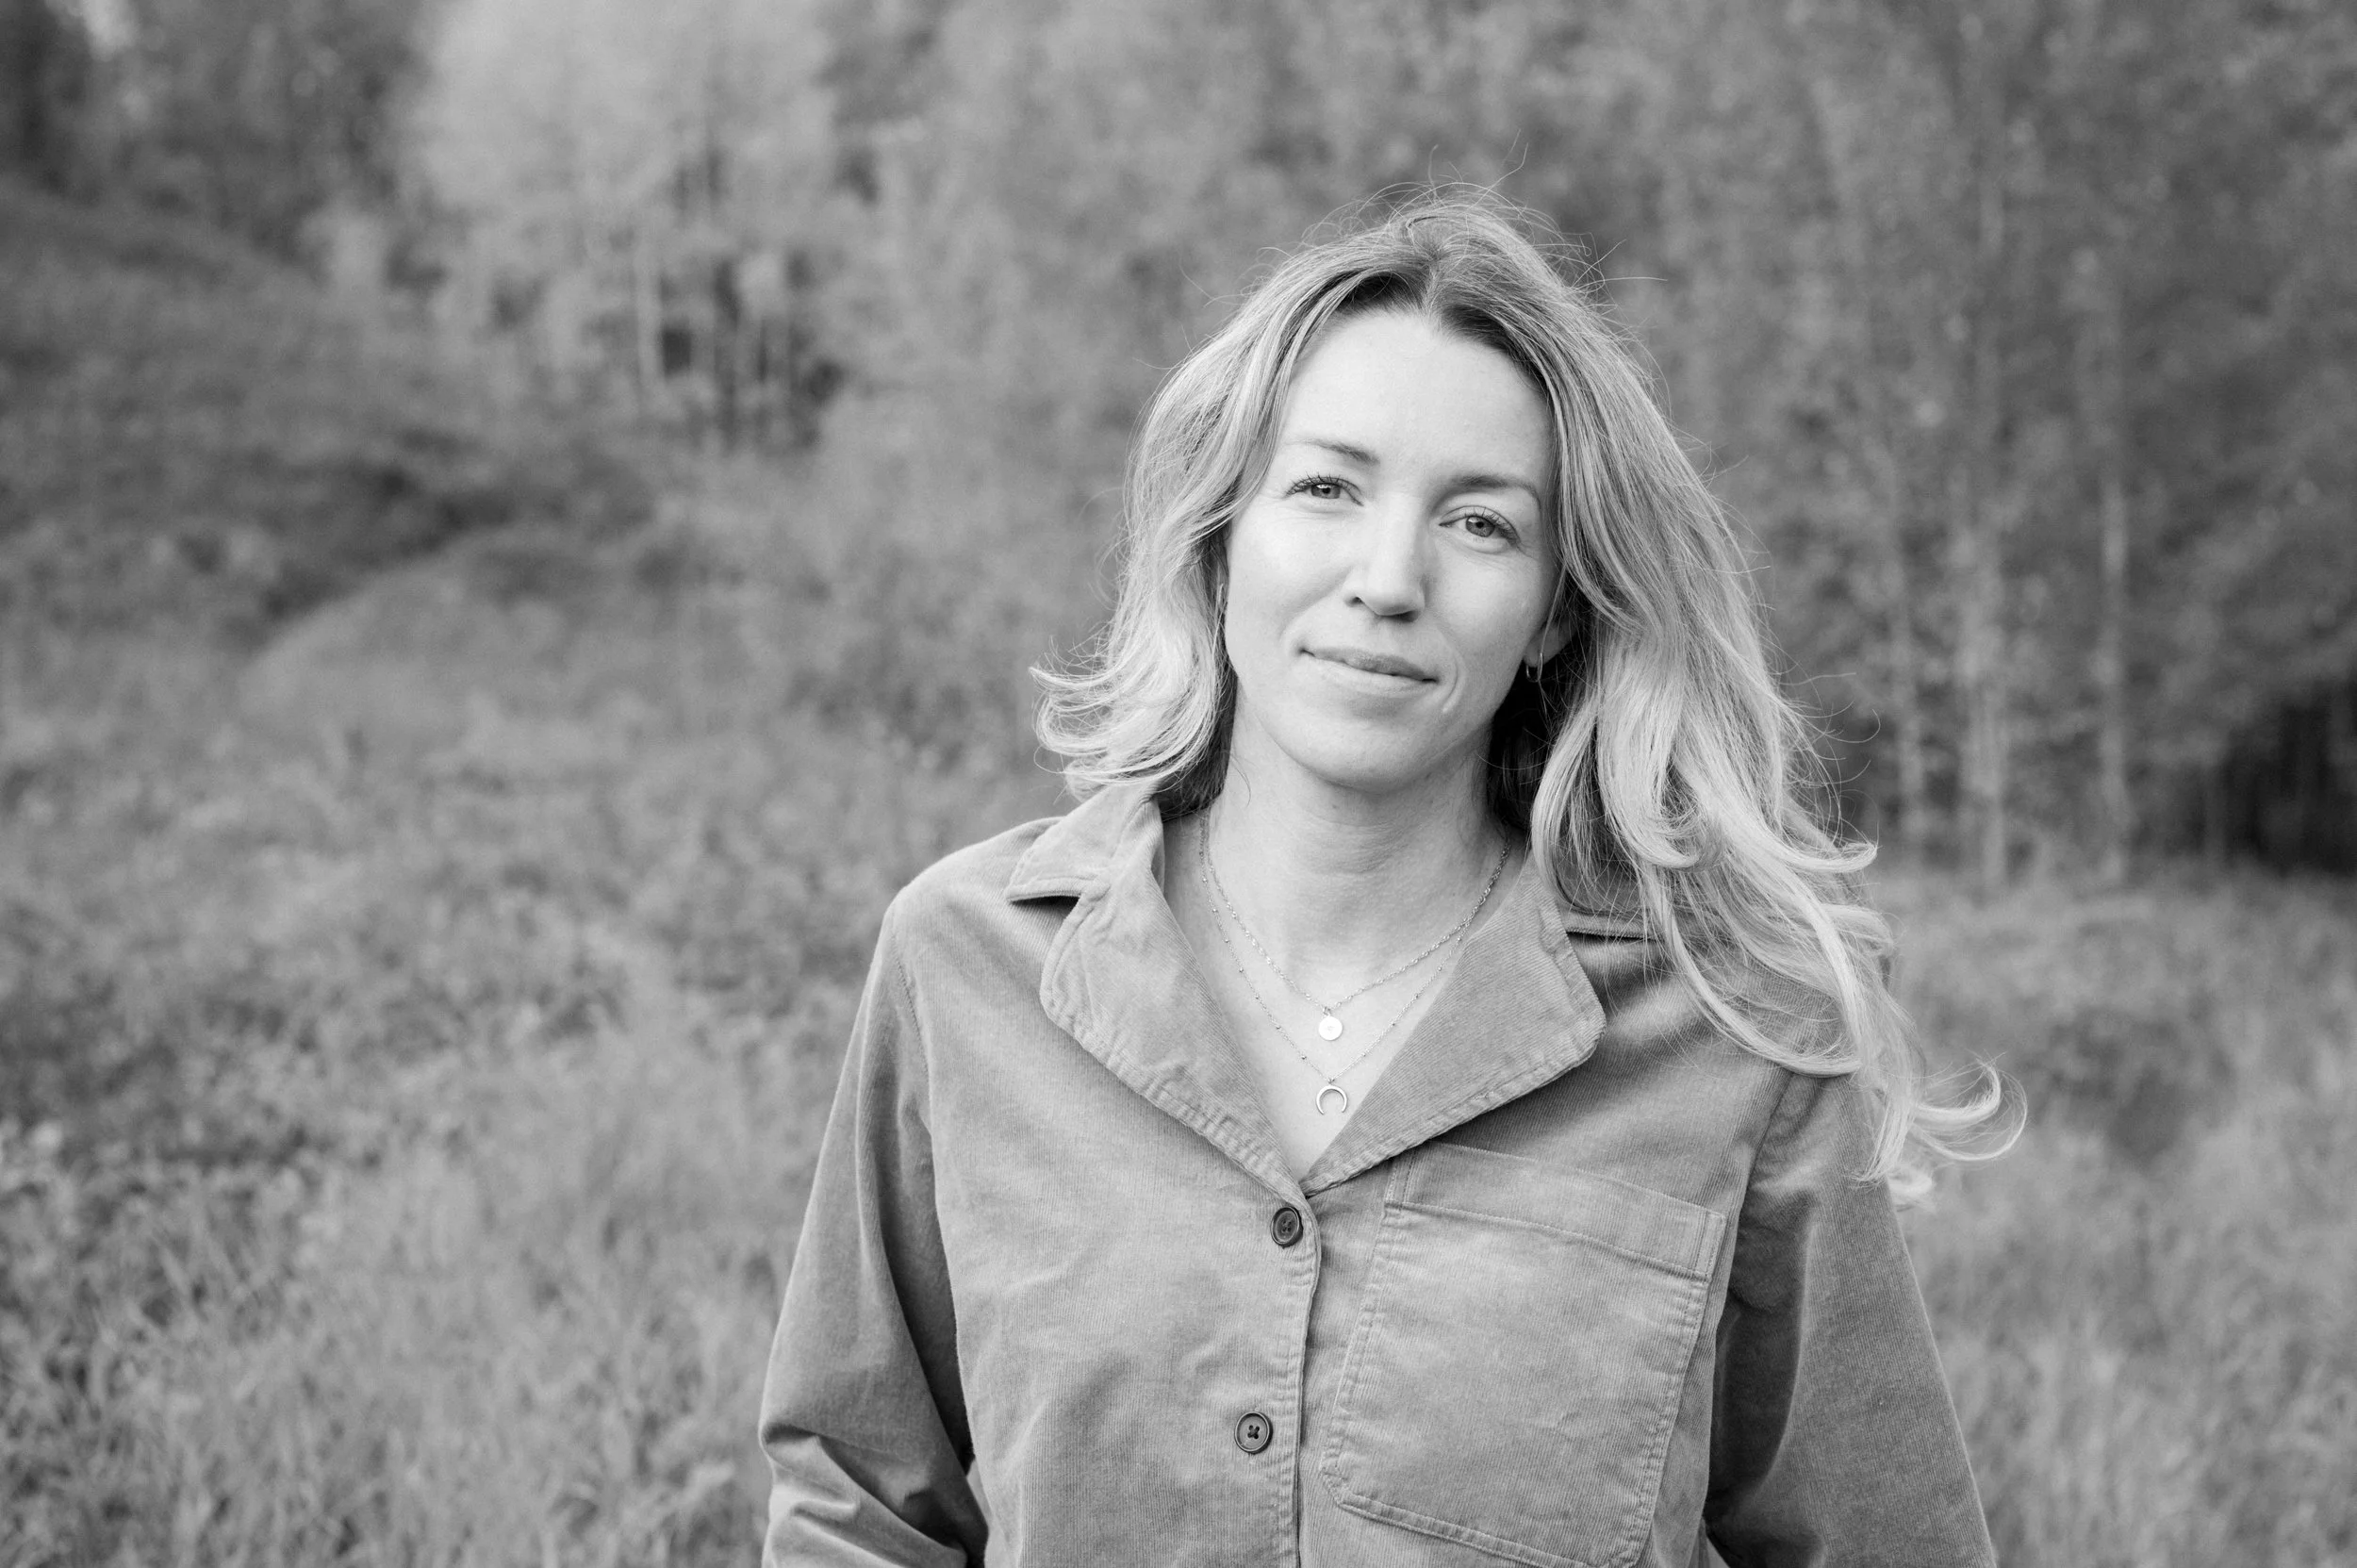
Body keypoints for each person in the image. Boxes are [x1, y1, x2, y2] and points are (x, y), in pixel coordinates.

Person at [757, 190, 2012, 1567]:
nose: (1388, 578)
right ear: (1220, 531)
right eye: (1327, 489)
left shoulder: (1728, 1036)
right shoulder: (967, 962)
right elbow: (857, 1504)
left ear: (1553, 612)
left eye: (1480, 524)